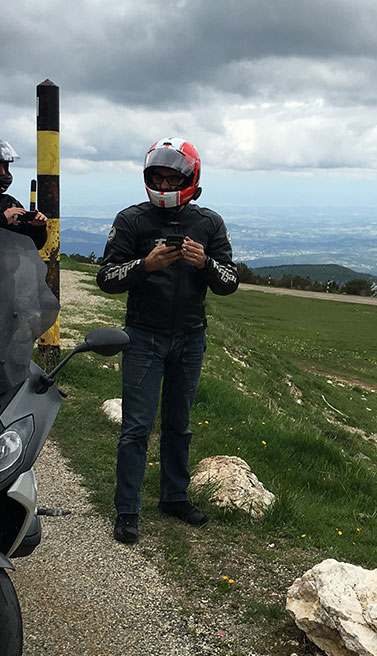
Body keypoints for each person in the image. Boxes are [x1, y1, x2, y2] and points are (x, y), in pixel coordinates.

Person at [97, 137, 238, 544]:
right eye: (157, 176)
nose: (163, 183)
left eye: (171, 177)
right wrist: (145, 265)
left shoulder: (209, 223)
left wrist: (204, 262)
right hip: (143, 337)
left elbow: (230, 281)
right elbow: (106, 278)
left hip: (190, 338)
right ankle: (127, 509)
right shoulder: (131, 220)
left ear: (189, 179)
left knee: (180, 424)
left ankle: (174, 497)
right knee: (136, 428)